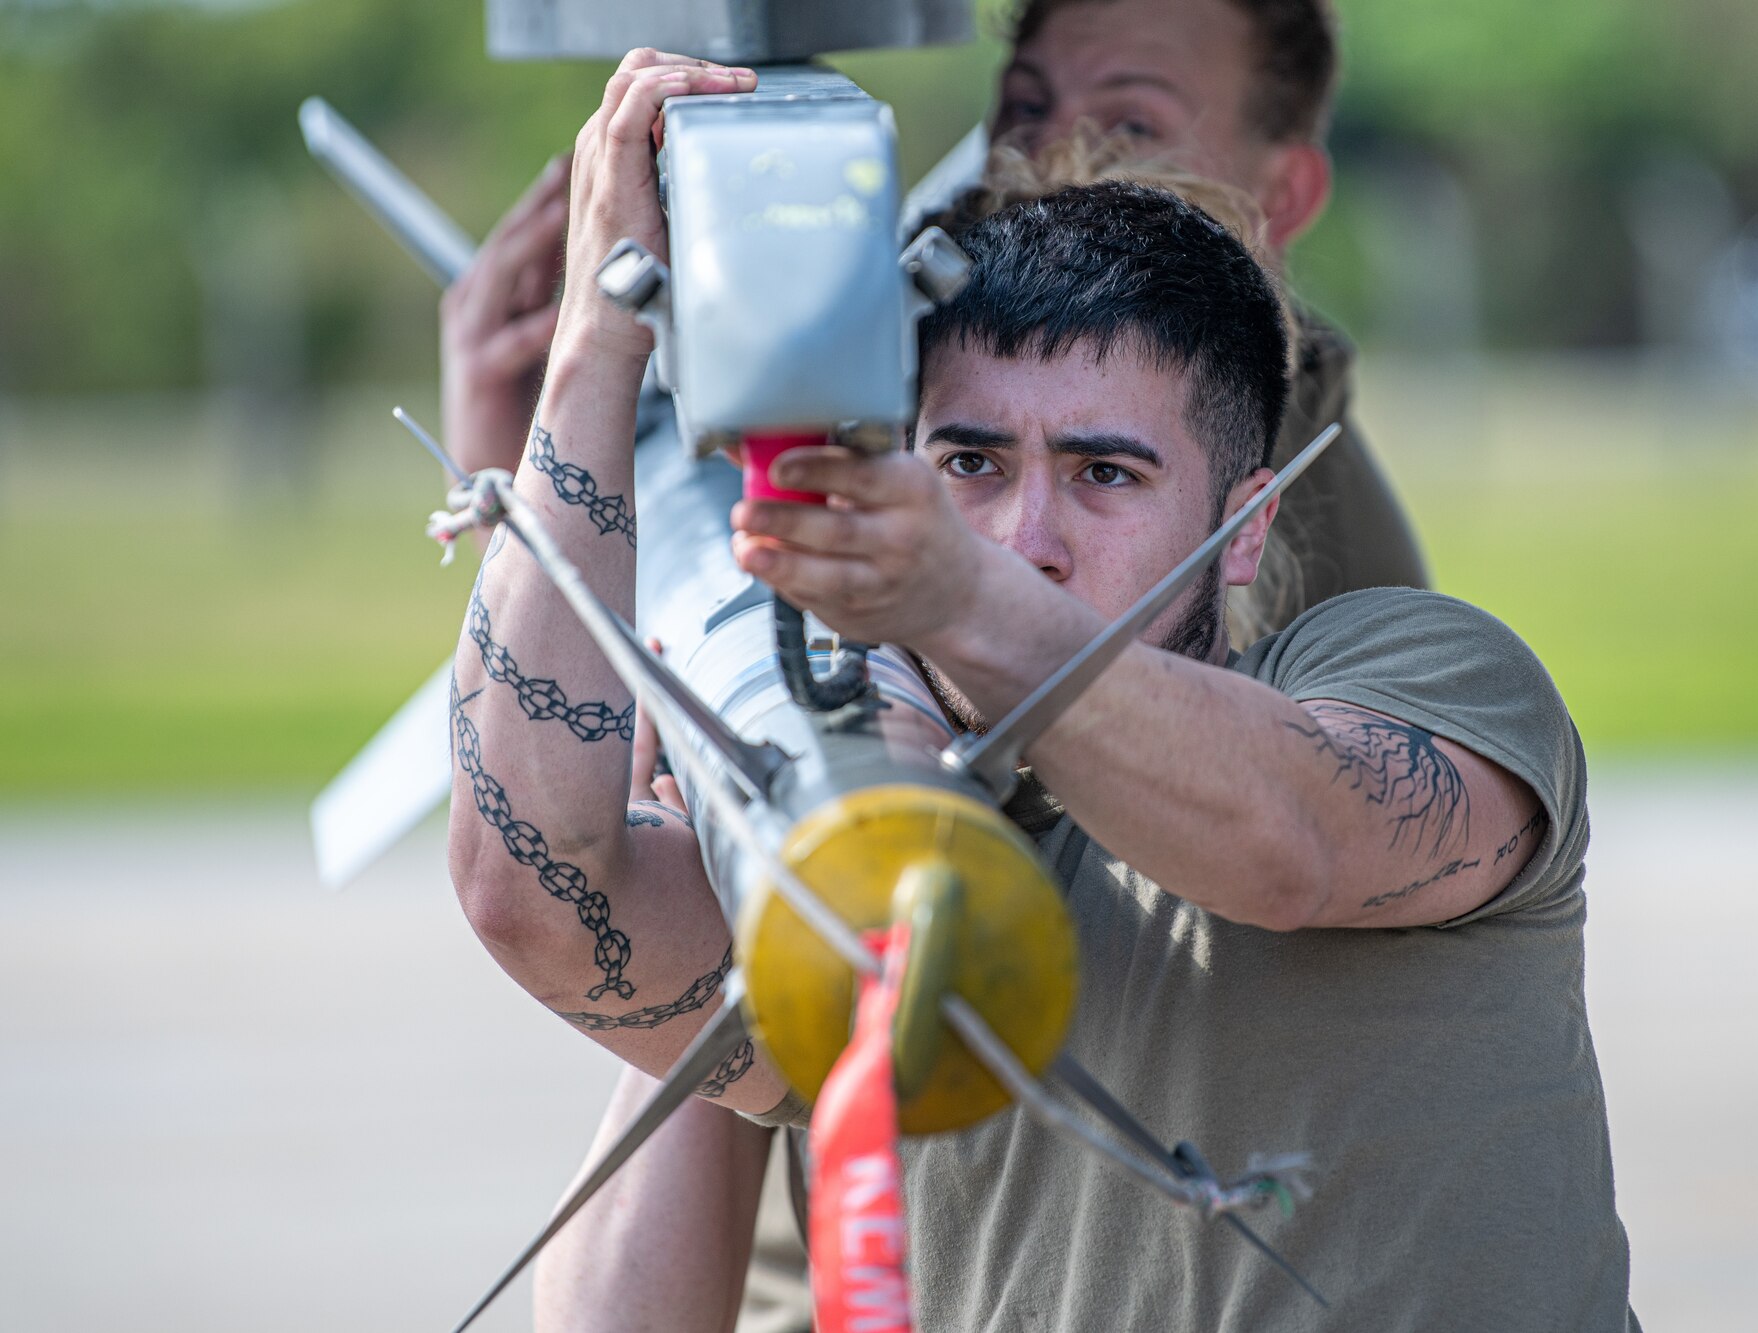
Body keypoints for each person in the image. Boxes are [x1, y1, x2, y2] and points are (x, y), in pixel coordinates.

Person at [449, 49, 1635, 1332]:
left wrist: (952, 595)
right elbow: (535, 896)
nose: (1025, 536)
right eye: (968, 462)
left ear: (1243, 530)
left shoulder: (1418, 671)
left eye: (1103, 474)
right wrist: (594, 344)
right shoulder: (883, 828)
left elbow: (1290, 841)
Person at [443, 0, 1427, 641]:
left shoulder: (1328, 559)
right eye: (1025, 105)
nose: (1045, 156)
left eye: (1131, 125)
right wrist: (526, 430)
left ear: (1284, 192)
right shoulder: (910, 330)